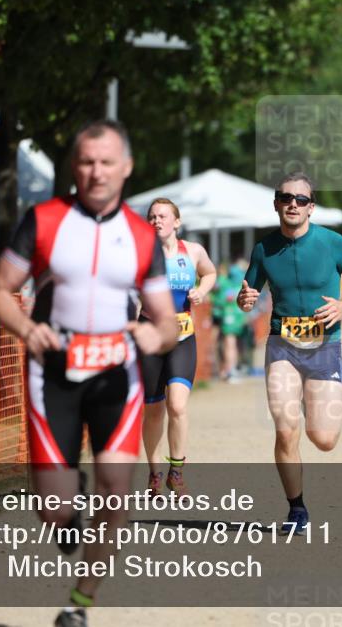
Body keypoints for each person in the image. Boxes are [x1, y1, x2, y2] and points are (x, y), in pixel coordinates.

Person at [0, 120, 178, 627]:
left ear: (126, 167)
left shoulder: (141, 236)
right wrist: (27, 329)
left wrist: (155, 337)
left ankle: (79, 604)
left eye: (107, 162)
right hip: (53, 374)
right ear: (74, 166)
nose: (97, 172)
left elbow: (165, 321)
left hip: (117, 374)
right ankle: (67, 509)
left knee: (117, 491)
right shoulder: (44, 220)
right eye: (87, 161)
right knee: (54, 510)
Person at [236, 172, 342, 533]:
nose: (292, 204)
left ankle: (313, 403)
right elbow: (247, 295)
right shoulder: (264, 249)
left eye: (300, 199)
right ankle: (296, 509)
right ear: (276, 204)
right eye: (286, 198)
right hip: (282, 346)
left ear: (311, 207)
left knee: (324, 439)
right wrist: (244, 300)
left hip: (324, 346)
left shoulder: (332, 242)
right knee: (285, 430)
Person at [140, 198, 216, 498]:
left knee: (178, 406)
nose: (156, 221)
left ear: (177, 222)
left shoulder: (193, 251)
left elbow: (209, 273)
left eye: (162, 216)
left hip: (183, 337)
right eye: (152, 217)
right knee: (153, 411)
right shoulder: (140, 253)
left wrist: (201, 291)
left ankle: (176, 471)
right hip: (151, 335)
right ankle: (154, 473)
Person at [212, 262, 247, 382]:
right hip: (238, 318)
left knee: (229, 345)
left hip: (229, 317)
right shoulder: (239, 285)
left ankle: (230, 371)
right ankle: (232, 369)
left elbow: (220, 300)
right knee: (233, 344)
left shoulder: (225, 284)